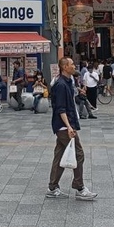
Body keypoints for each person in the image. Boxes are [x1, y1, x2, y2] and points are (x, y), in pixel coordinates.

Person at [46, 56, 97, 201]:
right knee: (79, 154)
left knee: (59, 155)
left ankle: (52, 187)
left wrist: (79, 91)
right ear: (64, 67)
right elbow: (60, 108)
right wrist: (69, 126)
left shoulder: (69, 81)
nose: (74, 66)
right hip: (63, 125)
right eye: (72, 64)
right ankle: (79, 187)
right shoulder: (61, 85)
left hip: (67, 124)